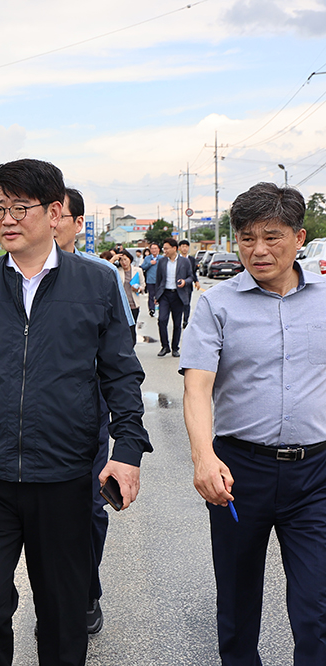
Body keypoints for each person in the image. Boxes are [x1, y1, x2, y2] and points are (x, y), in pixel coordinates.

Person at [0, 159, 152, 666]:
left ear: (55, 213)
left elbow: (121, 374)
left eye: (19, 207)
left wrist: (128, 451)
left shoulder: (95, 285)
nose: (6, 218)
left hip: (65, 477)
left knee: (62, 612)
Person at [180, 182, 326, 666]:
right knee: (239, 606)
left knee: (316, 610)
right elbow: (197, 387)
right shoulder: (217, 304)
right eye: (246, 238)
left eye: (272, 236)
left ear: (299, 237)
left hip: (316, 476)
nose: (258, 249)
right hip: (240, 473)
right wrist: (204, 458)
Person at [55, 187, 137, 635]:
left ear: (75, 222)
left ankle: (86, 591)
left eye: (59, 215)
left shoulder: (101, 275)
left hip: (87, 413)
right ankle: (56, 598)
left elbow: (119, 354)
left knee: (88, 507)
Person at [154, 237, 194, 357]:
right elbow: (158, 280)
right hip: (165, 295)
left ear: (174, 248)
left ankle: (175, 347)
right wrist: (157, 295)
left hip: (178, 295)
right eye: (164, 248)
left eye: (166, 248)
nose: (164, 250)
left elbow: (191, 277)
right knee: (162, 320)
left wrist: (185, 282)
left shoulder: (184, 262)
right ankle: (165, 346)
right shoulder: (162, 261)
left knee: (177, 323)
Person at [114, 250, 144, 343]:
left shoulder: (137, 270)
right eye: (121, 260)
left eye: (125, 260)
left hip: (133, 304)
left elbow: (143, 285)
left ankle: (131, 346)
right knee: (122, 327)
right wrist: (113, 259)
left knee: (132, 327)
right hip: (121, 304)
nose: (124, 262)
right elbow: (106, 266)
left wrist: (138, 289)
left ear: (130, 260)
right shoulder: (117, 271)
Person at [141, 242, 160, 315]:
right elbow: (143, 267)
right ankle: (151, 309)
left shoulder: (162, 258)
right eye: (152, 248)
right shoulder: (147, 258)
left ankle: (160, 308)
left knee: (160, 295)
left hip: (159, 281)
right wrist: (150, 263)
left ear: (158, 249)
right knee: (151, 296)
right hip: (150, 280)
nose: (154, 250)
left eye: (155, 248)